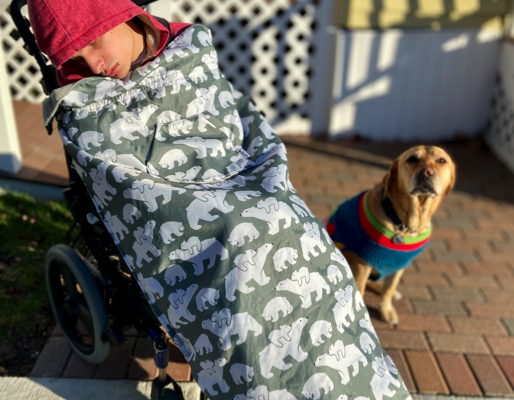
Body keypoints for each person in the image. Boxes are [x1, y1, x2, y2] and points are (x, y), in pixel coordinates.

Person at [29, 1, 412, 399]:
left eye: (95, 41)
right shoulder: (84, 100)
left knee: (310, 241)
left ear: (121, 14)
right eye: (73, 56)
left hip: (241, 180)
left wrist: (252, 177)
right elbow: (119, 175)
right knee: (243, 252)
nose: (91, 64)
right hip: (181, 204)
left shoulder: (187, 55)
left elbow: (235, 119)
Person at [27, 0, 190, 86]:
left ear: (116, 11)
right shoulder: (78, 85)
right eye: (77, 59)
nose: (94, 67)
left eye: (92, 41)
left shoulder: (188, 42)